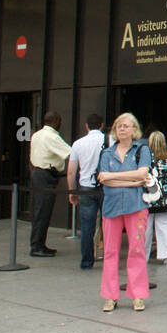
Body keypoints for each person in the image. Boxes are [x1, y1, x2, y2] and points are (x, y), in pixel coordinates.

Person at [96, 113, 152, 313]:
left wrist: (114, 177)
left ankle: (138, 295)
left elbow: (142, 173)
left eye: (126, 126)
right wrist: (132, 181)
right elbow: (104, 180)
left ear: (134, 130)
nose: (122, 129)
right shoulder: (106, 154)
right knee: (110, 252)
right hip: (111, 207)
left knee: (136, 250)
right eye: (119, 126)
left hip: (135, 205)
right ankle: (110, 296)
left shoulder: (141, 150)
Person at [65, 114, 106, 270]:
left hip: (85, 187)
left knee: (87, 226)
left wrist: (72, 191)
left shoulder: (78, 144)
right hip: (105, 186)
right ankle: (110, 258)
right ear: (101, 125)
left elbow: (71, 171)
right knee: (108, 224)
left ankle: (87, 261)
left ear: (86, 126)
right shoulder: (109, 141)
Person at [28, 111, 70, 258]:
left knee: (38, 210)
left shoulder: (37, 135)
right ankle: (37, 246)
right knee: (43, 211)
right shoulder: (52, 137)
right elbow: (70, 152)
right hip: (46, 175)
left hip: (37, 173)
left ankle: (38, 243)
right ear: (57, 121)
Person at [144, 131, 167, 265]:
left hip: (149, 196)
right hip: (166, 196)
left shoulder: (146, 160)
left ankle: (143, 255)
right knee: (165, 226)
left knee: (145, 228)